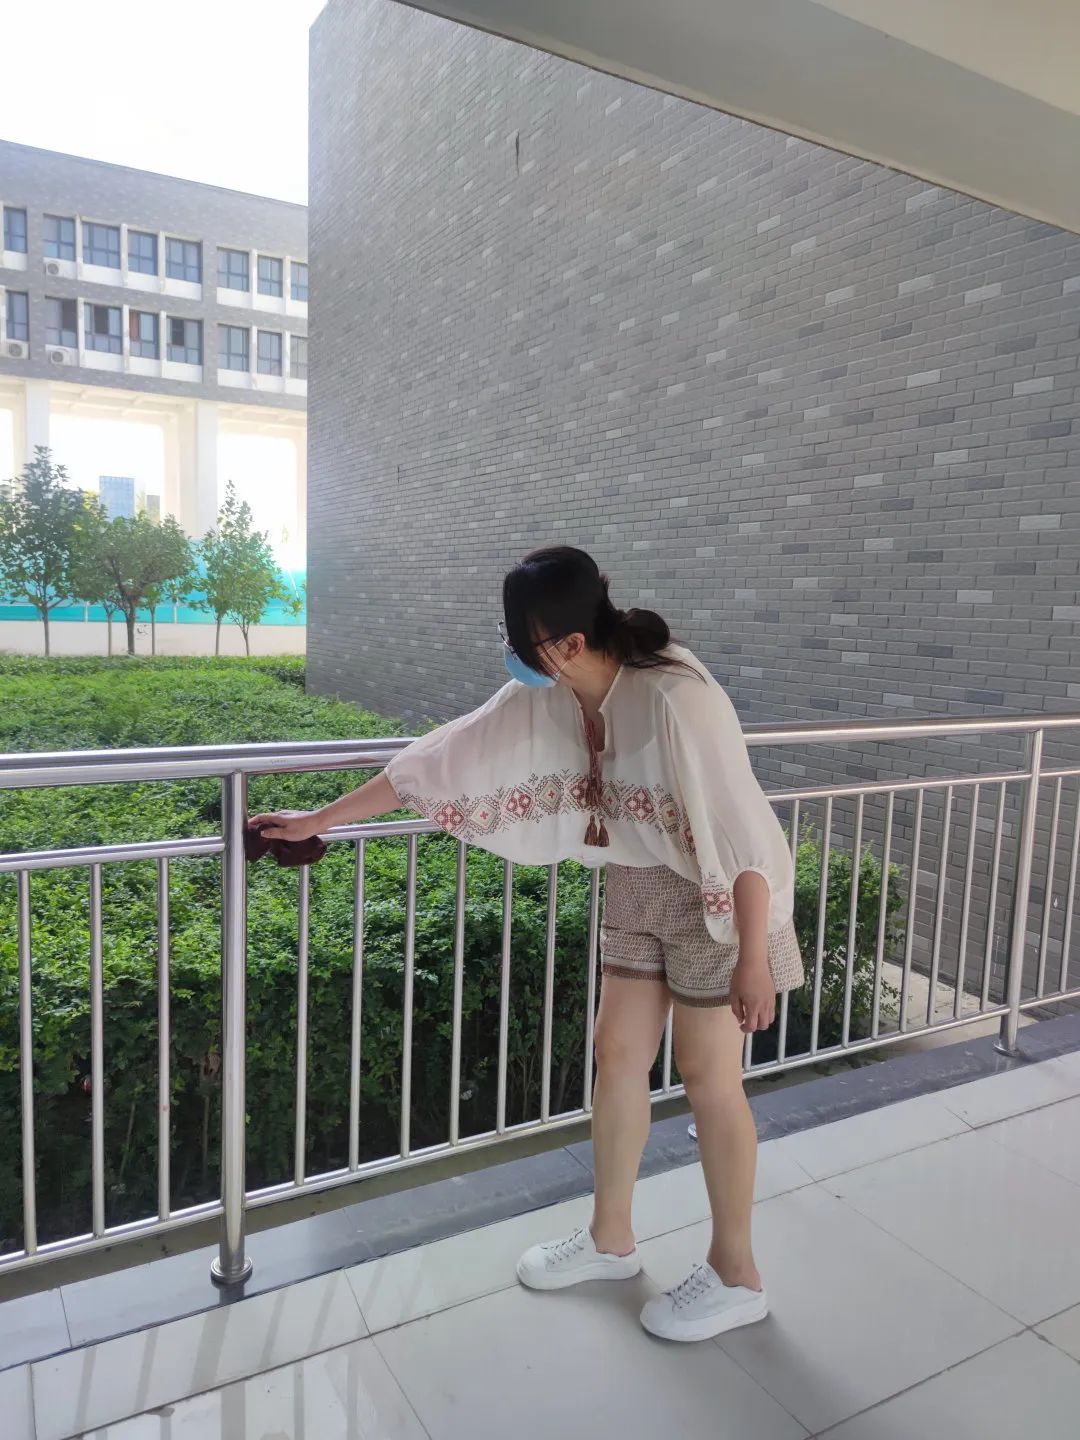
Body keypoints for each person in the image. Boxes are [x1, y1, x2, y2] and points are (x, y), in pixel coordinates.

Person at [250, 546, 804, 1343]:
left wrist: (753, 957)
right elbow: (445, 755)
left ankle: (736, 1274)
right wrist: (318, 821)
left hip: (718, 896)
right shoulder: (553, 691)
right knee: (617, 1052)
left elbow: (744, 834)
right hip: (638, 879)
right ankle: (611, 1239)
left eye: (524, 642)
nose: (515, 657)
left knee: (708, 1076)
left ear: (571, 642)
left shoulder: (676, 697)